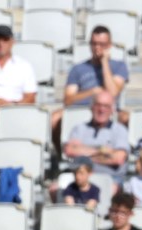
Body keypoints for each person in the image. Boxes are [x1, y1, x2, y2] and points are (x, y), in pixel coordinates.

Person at [51, 25, 130, 154]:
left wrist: (104, 62)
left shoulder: (119, 66)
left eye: (102, 44)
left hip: (108, 108)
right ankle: (58, 155)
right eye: (94, 44)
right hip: (80, 108)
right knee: (54, 117)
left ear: (109, 45)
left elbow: (112, 93)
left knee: (126, 118)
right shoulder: (78, 68)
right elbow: (68, 100)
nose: (97, 48)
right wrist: (92, 92)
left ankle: (121, 153)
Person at [62, 91, 129, 190]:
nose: (101, 109)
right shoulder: (79, 128)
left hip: (110, 178)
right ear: (91, 107)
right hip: (80, 178)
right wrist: (102, 151)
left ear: (112, 109)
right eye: (98, 105)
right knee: (54, 188)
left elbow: (118, 158)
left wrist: (83, 154)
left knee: (112, 189)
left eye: (106, 106)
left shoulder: (120, 130)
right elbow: (69, 151)